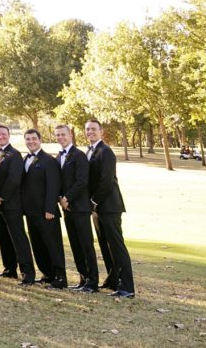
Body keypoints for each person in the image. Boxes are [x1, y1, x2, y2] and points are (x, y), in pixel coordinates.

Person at [85, 119, 136, 298]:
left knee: (116, 246)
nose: (90, 132)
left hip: (109, 207)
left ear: (101, 131)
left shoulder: (106, 152)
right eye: (87, 129)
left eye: (93, 129)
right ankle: (113, 280)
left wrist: (94, 202)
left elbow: (106, 181)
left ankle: (127, 287)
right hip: (97, 209)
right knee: (105, 246)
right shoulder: (90, 150)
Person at [55, 124, 98, 292]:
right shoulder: (59, 157)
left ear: (70, 135)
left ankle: (92, 282)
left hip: (80, 208)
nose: (60, 137)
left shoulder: (79, 155)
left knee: (86, 245)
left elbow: (82, 181)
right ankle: (83, 278)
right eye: (58, 135)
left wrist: (67, 198)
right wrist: (60, 197)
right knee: (75, 245)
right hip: (67, 209)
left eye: (63, 134)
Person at [21, 129, 66, 289]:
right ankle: (47, 274)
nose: (31, 141)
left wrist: (50, 209)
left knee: (53, 245)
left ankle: (60, 278)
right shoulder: (25, 159)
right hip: (31, 212)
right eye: (28, 139)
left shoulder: (49, 160)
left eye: (34, 138)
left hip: (46, 212)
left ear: (40, 140)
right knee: (38, 245)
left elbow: (53, 186)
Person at [0, 125, 35, 285]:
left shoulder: (14, 154)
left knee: (18, 239)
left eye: (3, 134)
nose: (1, 136)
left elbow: (14, 179)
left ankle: (28, 273)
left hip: (11, 204)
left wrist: (1, 197)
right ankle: (9, 269)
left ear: (8, 135)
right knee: (4, 238)